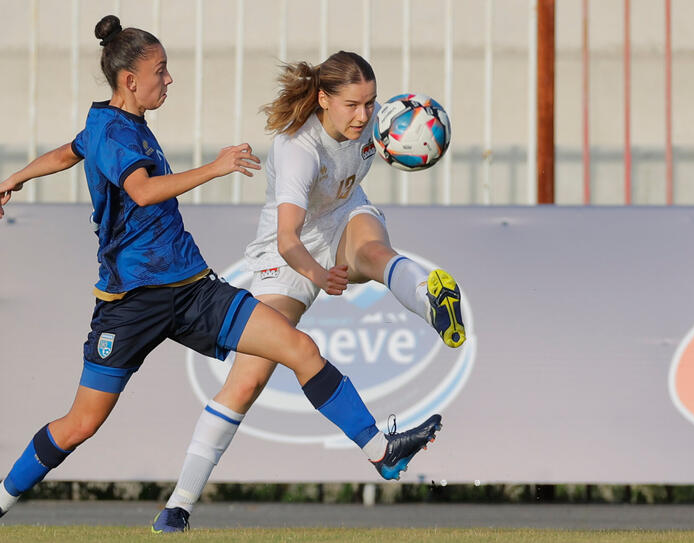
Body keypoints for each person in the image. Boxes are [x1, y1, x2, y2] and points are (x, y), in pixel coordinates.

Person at [0, 17, 443, 537]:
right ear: (129, 81)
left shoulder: (112, 125)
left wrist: (17, 177)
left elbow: (68, 152)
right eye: (160, 71)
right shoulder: (114, 130)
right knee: (81, 424)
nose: (169, 80)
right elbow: (141, 191)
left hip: (191, 287)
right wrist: (215, 167)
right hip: (131, 301)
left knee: (299, 349)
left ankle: (380, 452)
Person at [151, 51, 465, 533]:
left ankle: (432, 301)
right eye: (353, 105)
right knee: (247, 382)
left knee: (375, 253)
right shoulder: (298, 148)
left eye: (371, 103)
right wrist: (319, 276)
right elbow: (287, 240)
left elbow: (397, 130)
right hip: (288, 257)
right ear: (323, 98)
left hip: (344, 219)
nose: (364, 116)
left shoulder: (373, 129)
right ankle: (178, 506)